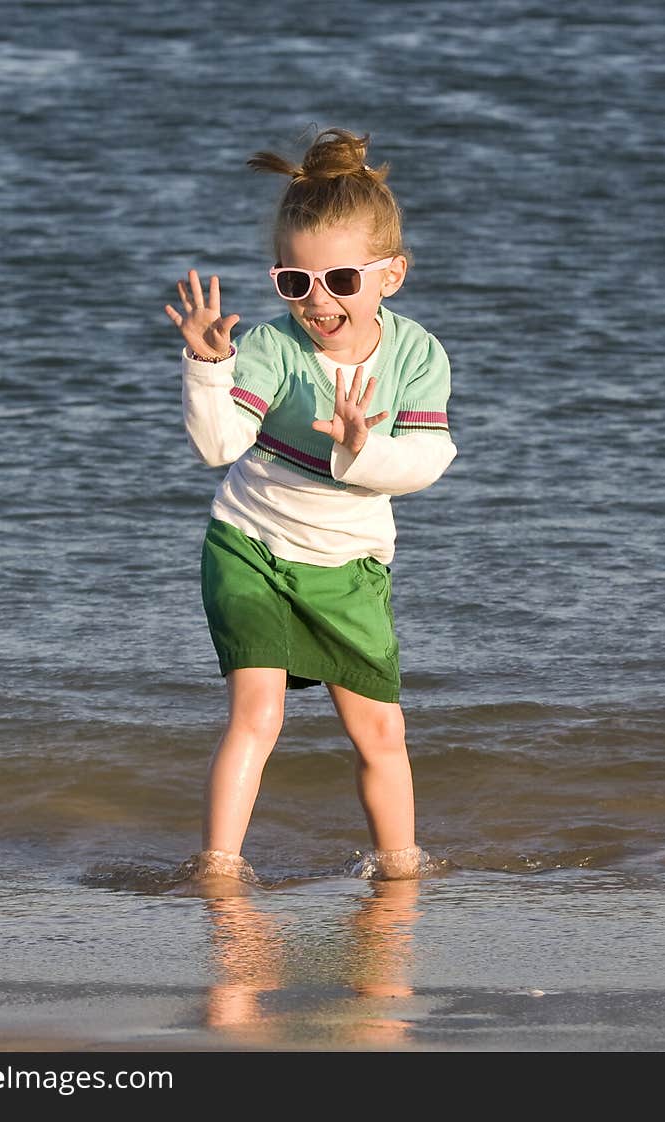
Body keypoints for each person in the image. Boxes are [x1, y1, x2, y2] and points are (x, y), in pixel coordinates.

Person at [164, 127, 456, 881]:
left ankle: (400, 871)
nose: (316, 302)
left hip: (350, 560)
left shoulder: (418, 355)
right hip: (250, 544)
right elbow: (220, 446)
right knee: (257, 716)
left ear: (389, 277)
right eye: (295, 283)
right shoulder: (268, 347)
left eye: (340, 282)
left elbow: (427, 462)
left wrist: (362, 450)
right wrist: (208, 364)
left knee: (380, 732)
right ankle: (219, 869)